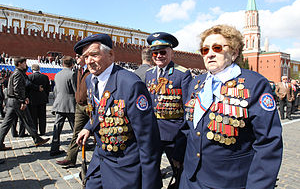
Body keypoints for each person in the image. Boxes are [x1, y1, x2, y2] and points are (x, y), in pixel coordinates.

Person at [178, 25, 283, 189]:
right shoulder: (196, 83)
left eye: (217, 48)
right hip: (191, 179)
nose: (210, 54)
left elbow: (268, 143)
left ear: (234, 53)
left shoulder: (253, 84)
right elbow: (189, 129)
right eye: (205, 50)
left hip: (228, 181)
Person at [75, 33, 162, 189]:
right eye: (85, 56)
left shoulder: (130, 84)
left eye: (94, 55)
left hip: (124, 166)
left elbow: (148, 139)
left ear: (111, 54)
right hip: (100, 159)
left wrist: (150, 183)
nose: (89, 61)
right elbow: (99, 110)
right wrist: (88, 127)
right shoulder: (90, 80)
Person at [145, 32, 192, 183]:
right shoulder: (149, 74)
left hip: (174, 133)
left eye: (163, 52)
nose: (158, 56)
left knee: (179, 171)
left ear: (171, 52)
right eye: (155, 53)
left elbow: (188, 110)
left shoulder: (182, 74)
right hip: (154, 133)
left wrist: (182, 139)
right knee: (151, 171)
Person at [0, 57, 50, 151]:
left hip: (12, 101)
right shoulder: (18, 74)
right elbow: (17, 89)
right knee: (28, 120)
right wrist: (22, 100)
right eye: (24, 63)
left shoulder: (15, 73)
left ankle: (0, 142)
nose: (25, 65)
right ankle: (37, 139)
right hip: (17, 102)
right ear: (19, 63)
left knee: (6, 124)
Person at [56, 55, 90, 168]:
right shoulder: (79, 70)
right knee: (76, 132)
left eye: (78, 56)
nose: (76, 58)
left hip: (89, 106)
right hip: (80, 106)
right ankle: (70, 158)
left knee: (98, 131)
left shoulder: (91, 69)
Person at [50, 56, 76, 156]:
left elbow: (55, 90)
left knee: (57, 128)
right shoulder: (72, 74)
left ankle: (54, 148)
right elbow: (75, 90)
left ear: (62, 64)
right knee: (75, 128)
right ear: (72, 64)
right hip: (70, 105)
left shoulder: (57, 74)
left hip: (59, 104)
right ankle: (80, 145)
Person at [28, 64, 50, 135]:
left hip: (33, 100)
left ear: (32, 69)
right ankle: (42, 131)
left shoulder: (29, 77)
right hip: (43, 99)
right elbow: (48, 89)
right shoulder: (45, 77)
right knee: (42, 117)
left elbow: (27, 88)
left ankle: (35, 131)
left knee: (33, 117)